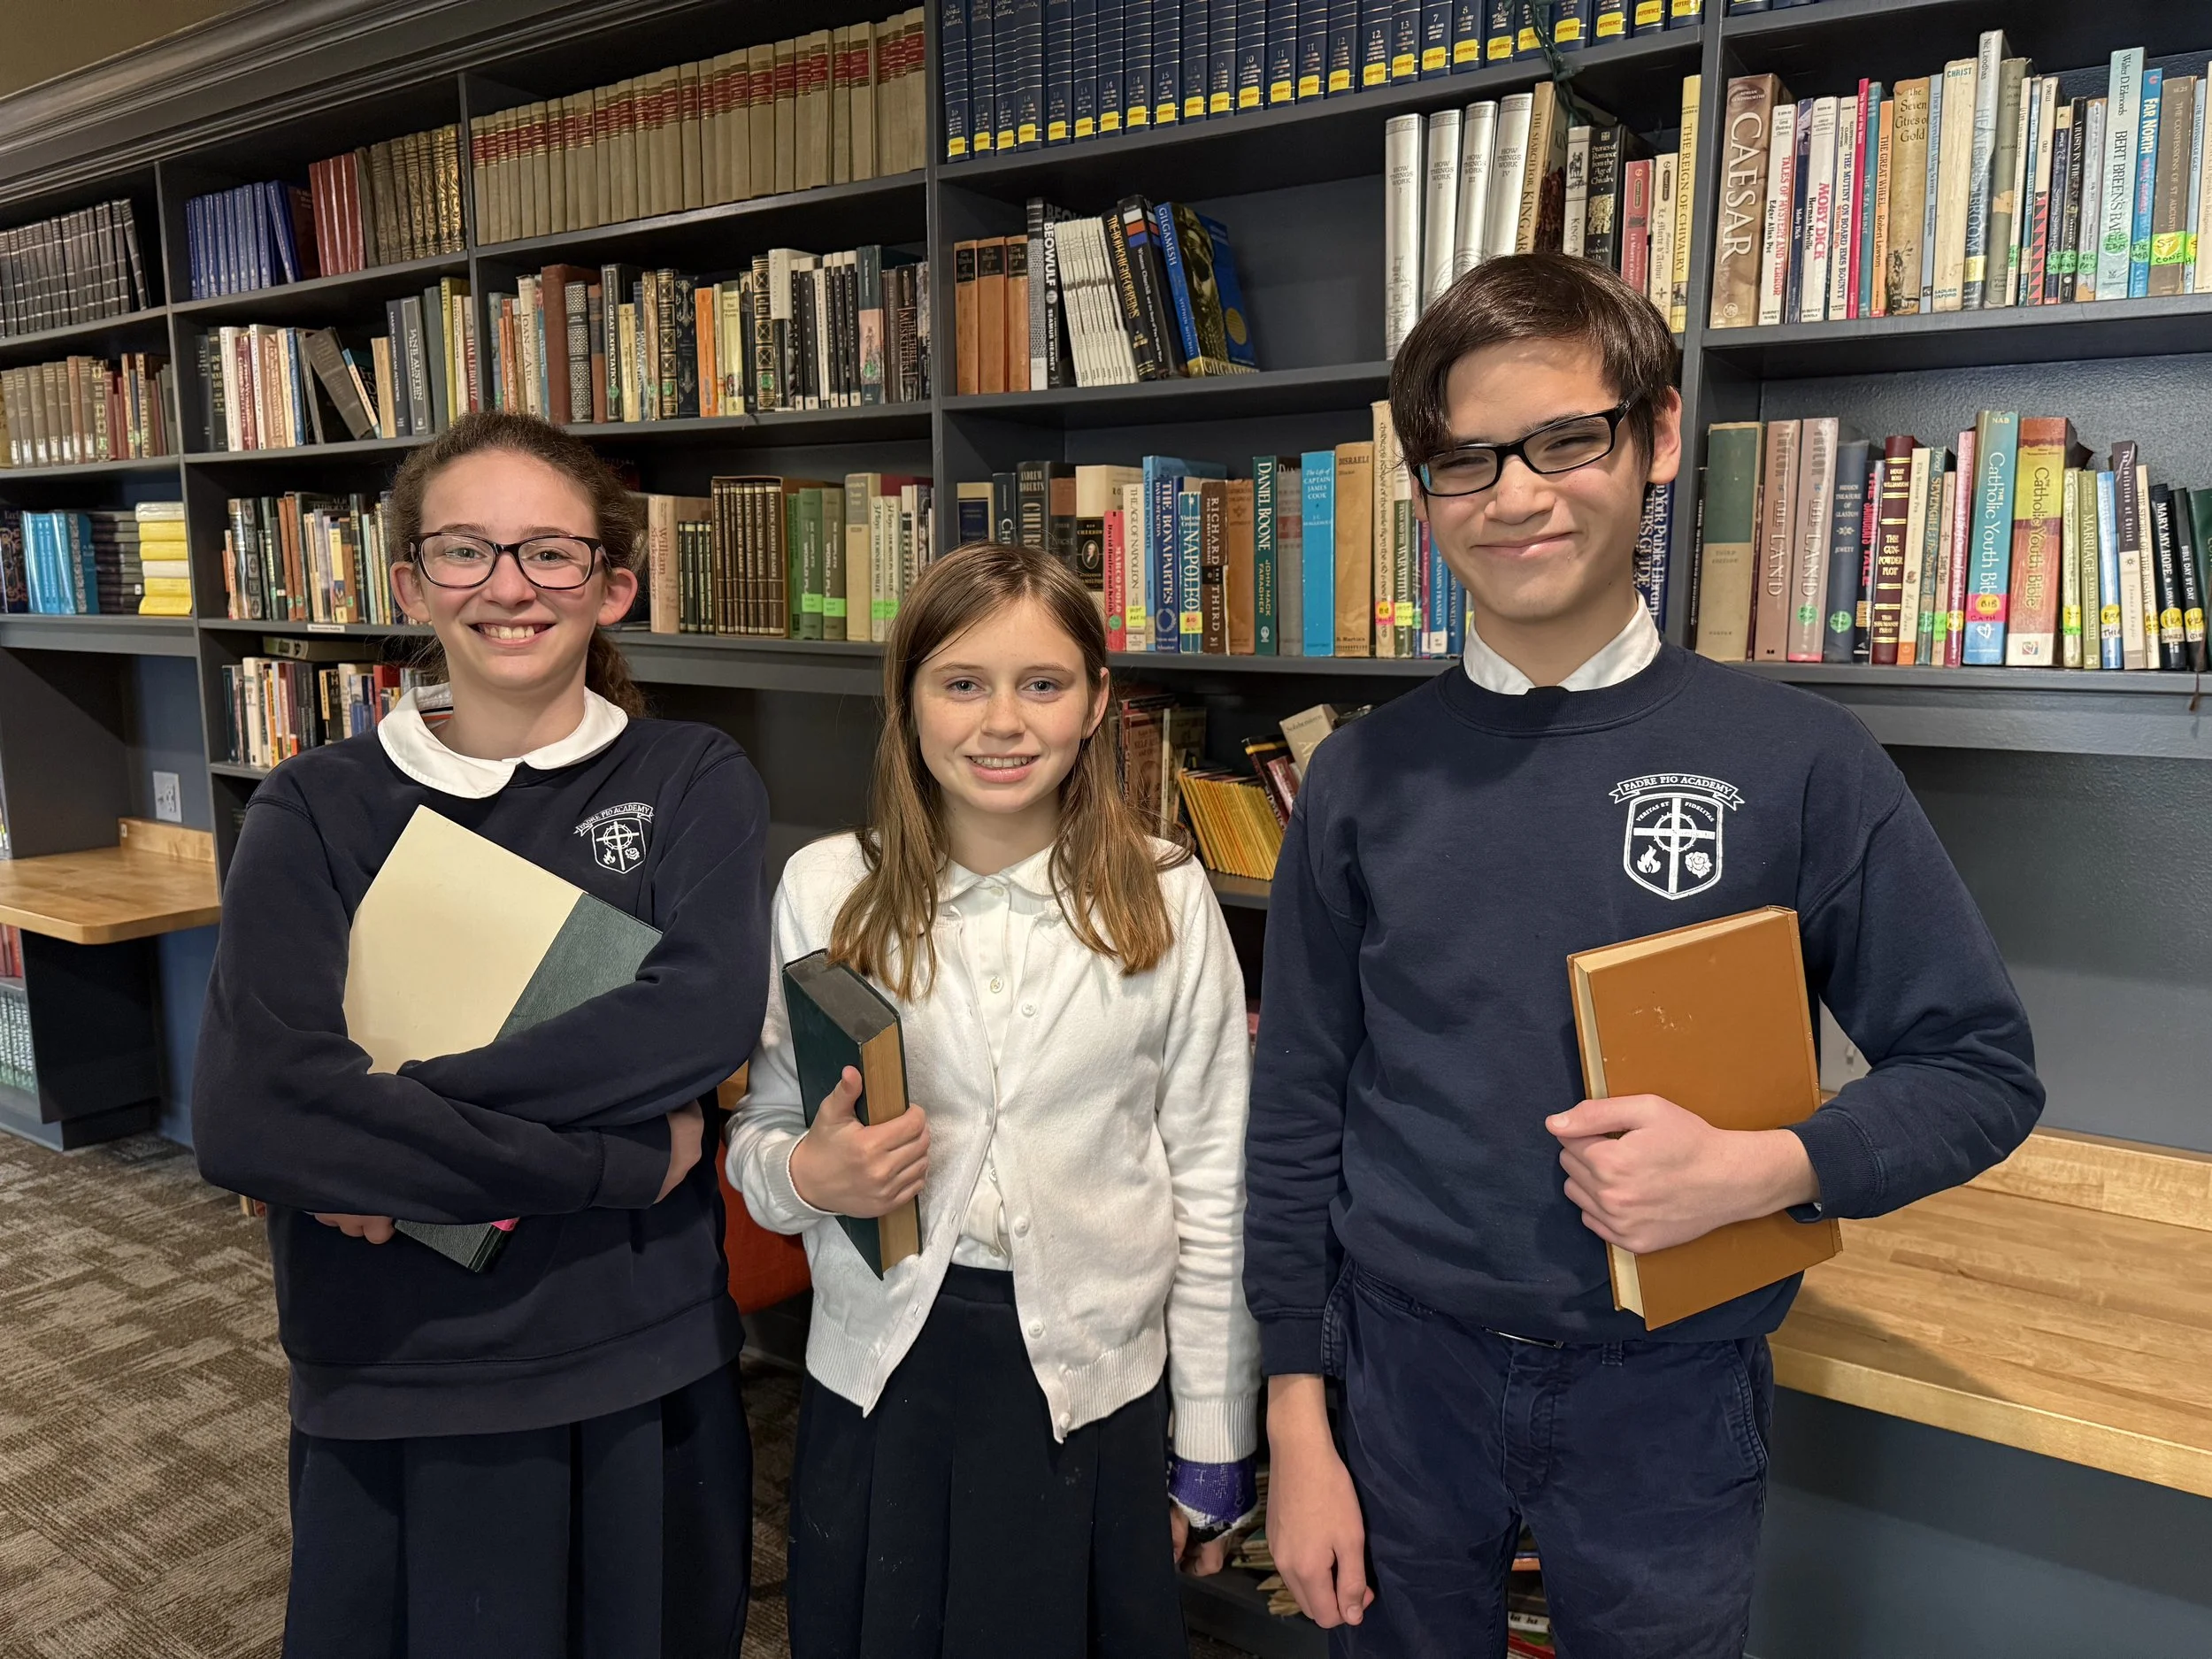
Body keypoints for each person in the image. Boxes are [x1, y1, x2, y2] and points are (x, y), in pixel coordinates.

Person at [1246, 253, 2044, 1656]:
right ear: (1421, 484)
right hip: (1399, 1374)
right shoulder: (1362, 778)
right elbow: (1300, 1100)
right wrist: (1296, 1412)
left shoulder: (1800, 763)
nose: (1517, 493)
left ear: (1658, 435)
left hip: (1674, 1385)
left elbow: (1979, 1067)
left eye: (1568, 437)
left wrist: (1768, 1165)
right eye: (1465, 459)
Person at [193, 410, 769, 1658]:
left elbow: (699, 1010)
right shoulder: (315, 803)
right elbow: (252, 1112)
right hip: (395, 1361)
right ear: (410, 581)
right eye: (465, 549)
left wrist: (383, 1113)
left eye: (550, 552)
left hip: (637, 1343)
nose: (509, 586)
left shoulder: (690, 776)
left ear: (613, 584)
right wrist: (616, 1161)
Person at [727, 541, 1259, 1659]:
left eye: (1043, 684)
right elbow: (764, 1133)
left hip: (1089, 1368)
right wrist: (801, 1178)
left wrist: (1213, 1436)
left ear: (1097, 701)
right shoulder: (828, 887)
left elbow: (1212, 1176)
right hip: (886, 1361)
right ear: (909, 699)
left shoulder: (1163, 893)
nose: (1002, 722)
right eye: (962, 683)